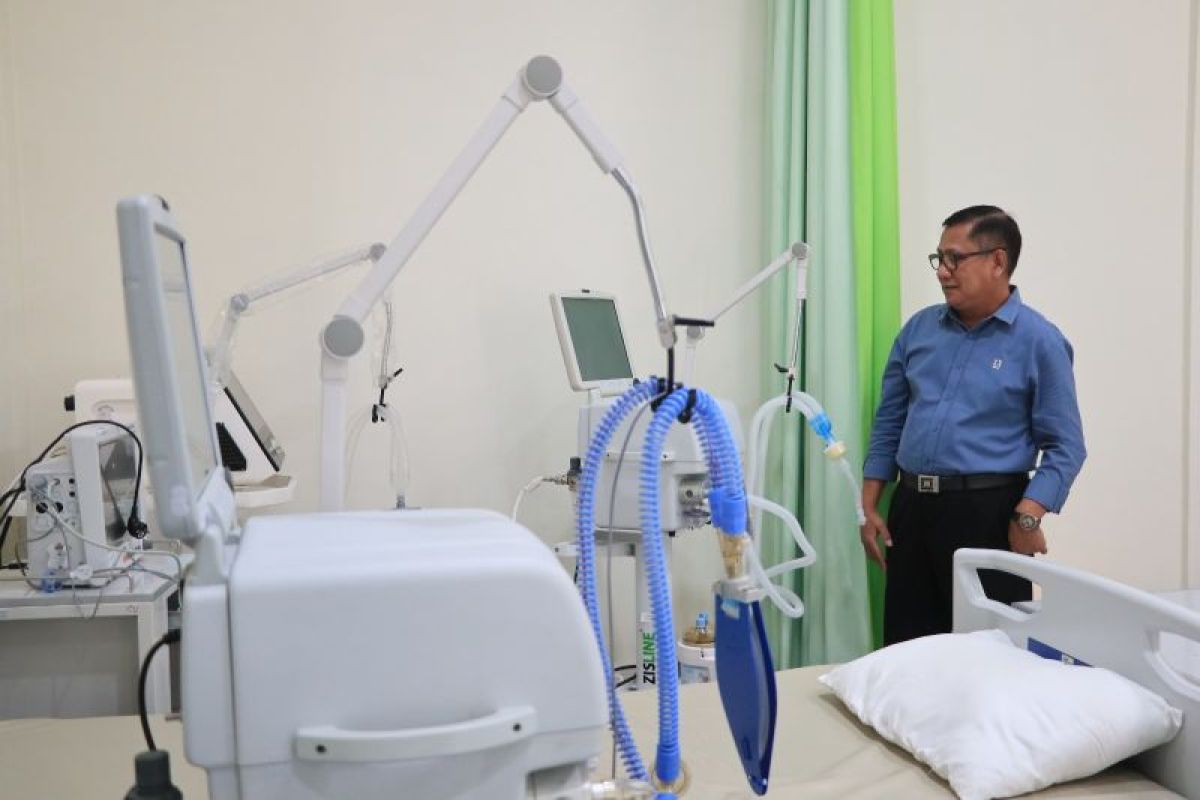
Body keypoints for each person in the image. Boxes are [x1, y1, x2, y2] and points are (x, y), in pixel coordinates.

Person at [860, 205, 1086, 645]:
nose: (943, 271)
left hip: (988, 515)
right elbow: (889, 421)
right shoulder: (919, 331)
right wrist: (869, 506)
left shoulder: (1039, 341)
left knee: (989, 652)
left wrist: (1027, 516)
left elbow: (1067, 446)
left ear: (998, 261)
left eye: (955, 258)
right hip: (910, 510)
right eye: (939, 258)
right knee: (908, 649)